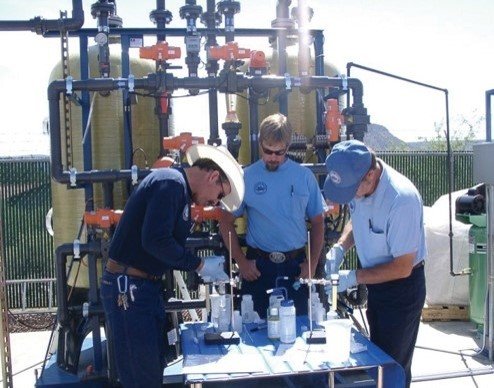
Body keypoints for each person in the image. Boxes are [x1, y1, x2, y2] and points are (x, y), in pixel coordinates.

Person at [101, 144, 244, 388]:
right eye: (220, 195)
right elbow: (156, 240)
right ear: (213, 176)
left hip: (138, 288)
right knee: (142, 376)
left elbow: (158, 241)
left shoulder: (175, 188)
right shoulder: (171, 184)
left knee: (148, 371)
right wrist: (199, 264)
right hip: (131, 290)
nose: (214, 202)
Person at [323, 139, 426, 387]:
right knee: (376, 360)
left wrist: (354, 277)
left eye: (351, 190)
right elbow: (357, 222)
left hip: (402, 289)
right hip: (378, 286)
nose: (350, 197)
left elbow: (402, 267)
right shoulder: (359, 184)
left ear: (370, 175)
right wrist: (340, 247)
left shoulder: (401, 200)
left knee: (392, 368)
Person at [219, 113, 325, 318]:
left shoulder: (304, 177)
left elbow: (318, 222)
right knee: (253, 334)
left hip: (296, 268)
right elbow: (225, 221)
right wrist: (241, 262)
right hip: (258, 269)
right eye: (268, 151)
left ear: (288, 147)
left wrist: (311, 264)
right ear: (260, 144)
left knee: (299, 333)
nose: (273, 157)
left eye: (279, 152)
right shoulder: (246, 177)